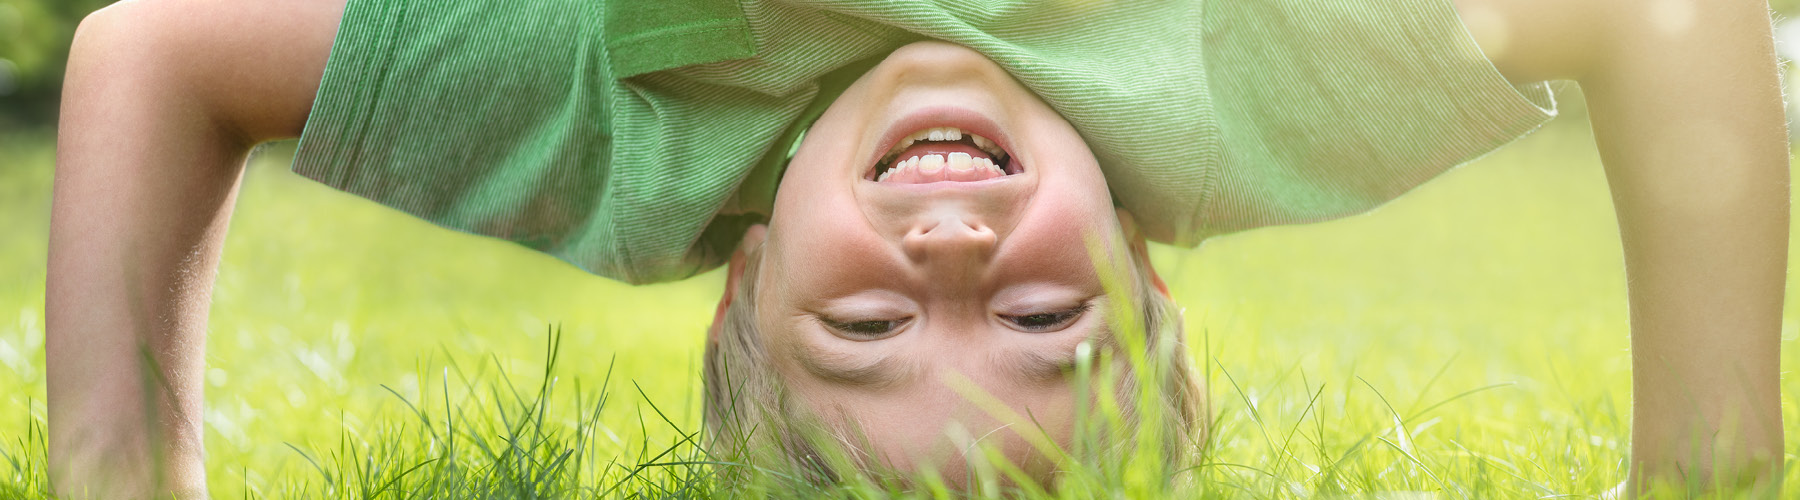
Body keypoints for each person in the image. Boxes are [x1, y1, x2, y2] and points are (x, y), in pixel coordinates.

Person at [47, 0, 1786, 497]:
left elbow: (152, 53)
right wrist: (1707, 469)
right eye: (1040, 312)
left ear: (739, 276)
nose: (948, 248)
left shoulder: (620, 124)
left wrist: (127, 478)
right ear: (1146, 274)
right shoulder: (1254, 99)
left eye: (867, 327)